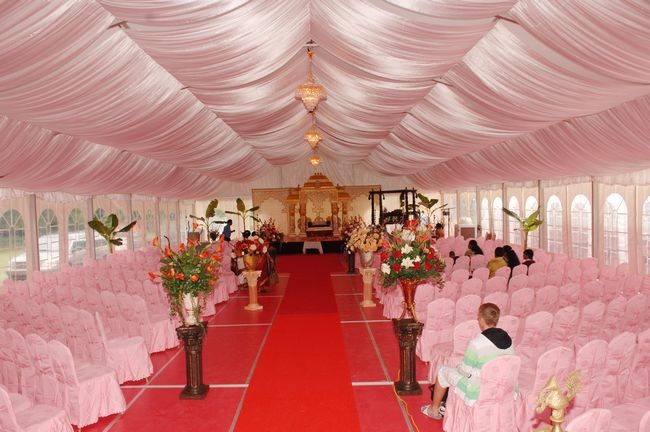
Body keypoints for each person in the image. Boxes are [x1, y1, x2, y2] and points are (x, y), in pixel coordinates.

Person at [421, 303, 515, 420]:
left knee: (442, 371)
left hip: (479, 387)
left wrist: (459, 367)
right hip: (502, 384)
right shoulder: (508, 339)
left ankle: (434, 410)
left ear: (481, 319)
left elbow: (466, 371)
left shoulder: (477, 342)